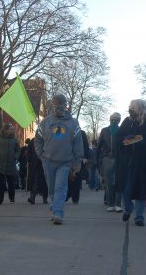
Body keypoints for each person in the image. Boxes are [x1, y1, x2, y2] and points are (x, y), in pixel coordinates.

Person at [34, 94, 83, 225]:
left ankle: (58, 213)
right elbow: (37, 140)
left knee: (60, 188)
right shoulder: (45, 122)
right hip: (48, 161)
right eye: (55, 104)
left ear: (66, 105)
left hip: (65, 162)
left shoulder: (73, 123)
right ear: (52, 105)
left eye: (61, 104)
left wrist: (77, 162)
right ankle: (55, 206)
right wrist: (41, 155)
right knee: (51, 188)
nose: (58, 107)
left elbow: (78, 144)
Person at [116, 99, 146, 226]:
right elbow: (118, 138)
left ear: (139, 108)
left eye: (133, 107)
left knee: (141, 190)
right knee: (126, 189)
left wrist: (141, 142)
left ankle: (139, 216)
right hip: (127, 161)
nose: (130, 109)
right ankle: (128, 208)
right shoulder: (127, 121)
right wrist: (125, 140)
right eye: (130, 107)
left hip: (143, 163)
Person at [97, 112, 123, 212]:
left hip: (119, 159)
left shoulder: (122, 131)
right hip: (107, 158)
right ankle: (111, 203)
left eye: (117, 119)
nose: (115, 121)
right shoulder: (104, 131)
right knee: (108, 182)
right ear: (110, 119)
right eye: (113, 119)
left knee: (118, 181)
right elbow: (99, 146)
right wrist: (97, 160)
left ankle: (118, 204)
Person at [0, 123, 20, 204]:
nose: (13, 131)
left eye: (13, 129)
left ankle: (12, 197)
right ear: (6, 130)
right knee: (0, 183)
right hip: (0, 164)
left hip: (11, 164)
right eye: (11, 129)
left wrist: (15, 157)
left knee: (11, 183)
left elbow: (18, 150)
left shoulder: (15, 139)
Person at [66, 129, 89, 204]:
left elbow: (85, 145)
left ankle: (75, 198)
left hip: (78, 159)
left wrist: (85, 157)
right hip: (67, 158)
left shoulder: (81, 133)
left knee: (77, 178)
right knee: (66, 178)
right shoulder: (66, 131)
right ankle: (67, 195)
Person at [27, 137, 48, 204]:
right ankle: (32, 197)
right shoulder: (33, 141)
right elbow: (29, 151)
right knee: (34, 181)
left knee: (45, 181)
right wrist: (29, 160)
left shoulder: (47, 139)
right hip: (35, 164)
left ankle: (45, 198)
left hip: (44, 163)